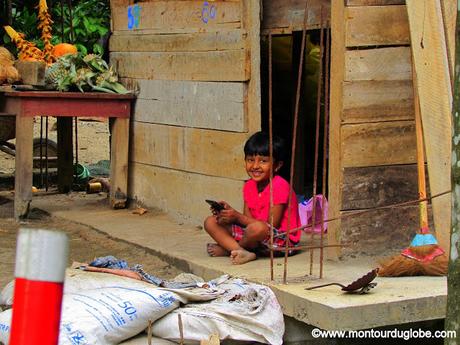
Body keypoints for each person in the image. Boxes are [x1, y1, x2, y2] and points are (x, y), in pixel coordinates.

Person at [204, 131, 301, 264]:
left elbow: (271, 226)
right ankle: (242, 251)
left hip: (281, 241)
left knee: (258, 228)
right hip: (255, 238)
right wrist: (228, 214)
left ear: (277, 165)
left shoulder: (279, 185)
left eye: (263, 161)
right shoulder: (249, 186)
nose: (255, 166)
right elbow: (246, 222)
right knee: (211, 221)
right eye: (250, 160)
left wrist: (237, 216)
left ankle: (230, 250)